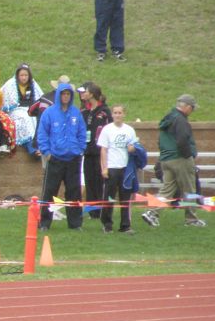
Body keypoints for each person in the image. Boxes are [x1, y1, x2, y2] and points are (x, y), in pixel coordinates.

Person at [142, 94, 206, 227]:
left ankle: (151, 212)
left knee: (167, 190)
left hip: (165, 159)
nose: (192, 111)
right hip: (180, 159)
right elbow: (183, 140)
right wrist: (189, 155)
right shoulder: (181, 120)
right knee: (189, 189)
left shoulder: (168, 118)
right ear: (187, 107)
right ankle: (191, 220)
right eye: (192, 108)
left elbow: (160, 140)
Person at [37, 82, 87, 230]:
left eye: (68, 94)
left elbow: (82, 133)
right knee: (49, 191)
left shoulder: (76, 113)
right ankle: (44, 223)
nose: (65, 96)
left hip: (73, 158)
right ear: (58, 95)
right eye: (63, 94)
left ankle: (75, 224)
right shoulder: (49, 113)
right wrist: (47, 153)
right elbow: (42, 134)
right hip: (55, 158)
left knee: (74, 192)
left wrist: (80, 149)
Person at [98, 105, 138, 234]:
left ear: (124, 114)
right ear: (112, 115)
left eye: (120, 113)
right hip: (112, 167)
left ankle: (125, 225)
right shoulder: (107, 130)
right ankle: (107, 224)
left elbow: (133, 146)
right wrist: (104, 168)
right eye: (115, 113)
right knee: (109, 197)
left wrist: (132, 148)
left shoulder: (129, 130)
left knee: (125, 197)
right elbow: (103, 150)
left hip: (125, 168)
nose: (117, 115)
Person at [78, 82, 112, 218]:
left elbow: (109, 129)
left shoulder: (104, 111)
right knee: (90, 180)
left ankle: (102, 210)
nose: (83, 94)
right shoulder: (85, 111)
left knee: (100, 182)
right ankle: (93, 211)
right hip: (87, 152)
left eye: (85, 91)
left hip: (100, 152)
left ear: (91, 93)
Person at [1, 63, 44, 155]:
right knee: (25, 117)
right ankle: (31, 147)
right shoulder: (11, 84)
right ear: (17, 75)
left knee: (37, 118)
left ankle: (39, 144)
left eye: (26, 75)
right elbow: (6, 102)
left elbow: (40, 98)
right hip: (15, 110)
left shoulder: (33, 84)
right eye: (21, 75)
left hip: (30, 108)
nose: (24, 78)